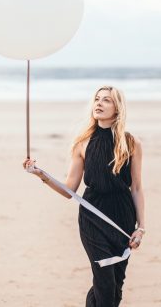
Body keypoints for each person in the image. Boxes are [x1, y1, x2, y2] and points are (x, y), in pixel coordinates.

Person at [23, 85, 145, 307]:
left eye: (106, 100)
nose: (99, 103)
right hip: (92, 216)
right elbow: (70, 189)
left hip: (122, 217)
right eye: (97, 99)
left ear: (117, 108)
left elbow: (136, 188)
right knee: (106, 285)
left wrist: (141, 227)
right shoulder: (83, 144)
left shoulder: (131, 143)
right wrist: (41, 175)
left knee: (115, 287)